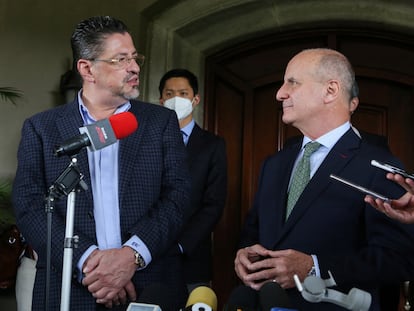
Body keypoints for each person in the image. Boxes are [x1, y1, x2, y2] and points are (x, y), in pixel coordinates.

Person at [12, 16, 190, 311]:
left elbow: (179, 195)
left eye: (135, 58)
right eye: (121, 60)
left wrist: (130, 256)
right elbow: (29, 205)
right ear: (87, 68)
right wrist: (88, 262)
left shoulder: (160, 122)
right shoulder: (42, 128)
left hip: (149, 286)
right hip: (69, 287)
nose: (134, 68)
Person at [232, 48, 414, 310]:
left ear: (330, 90)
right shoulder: (273, 164)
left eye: (292, 82)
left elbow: (397, 260)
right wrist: (244, 253)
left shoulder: (379, 167)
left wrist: (314, 268)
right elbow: (253, 230)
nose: (280, 93)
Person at [158, 68, 228, 292]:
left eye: (183, 93)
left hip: (191, 257)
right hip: (148, 256)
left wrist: (181, 245)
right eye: (169, 94)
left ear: (195, 99)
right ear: (161, 100)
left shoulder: (213, 145)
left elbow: (213, 203)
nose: (176, 99)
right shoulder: (149, 143)